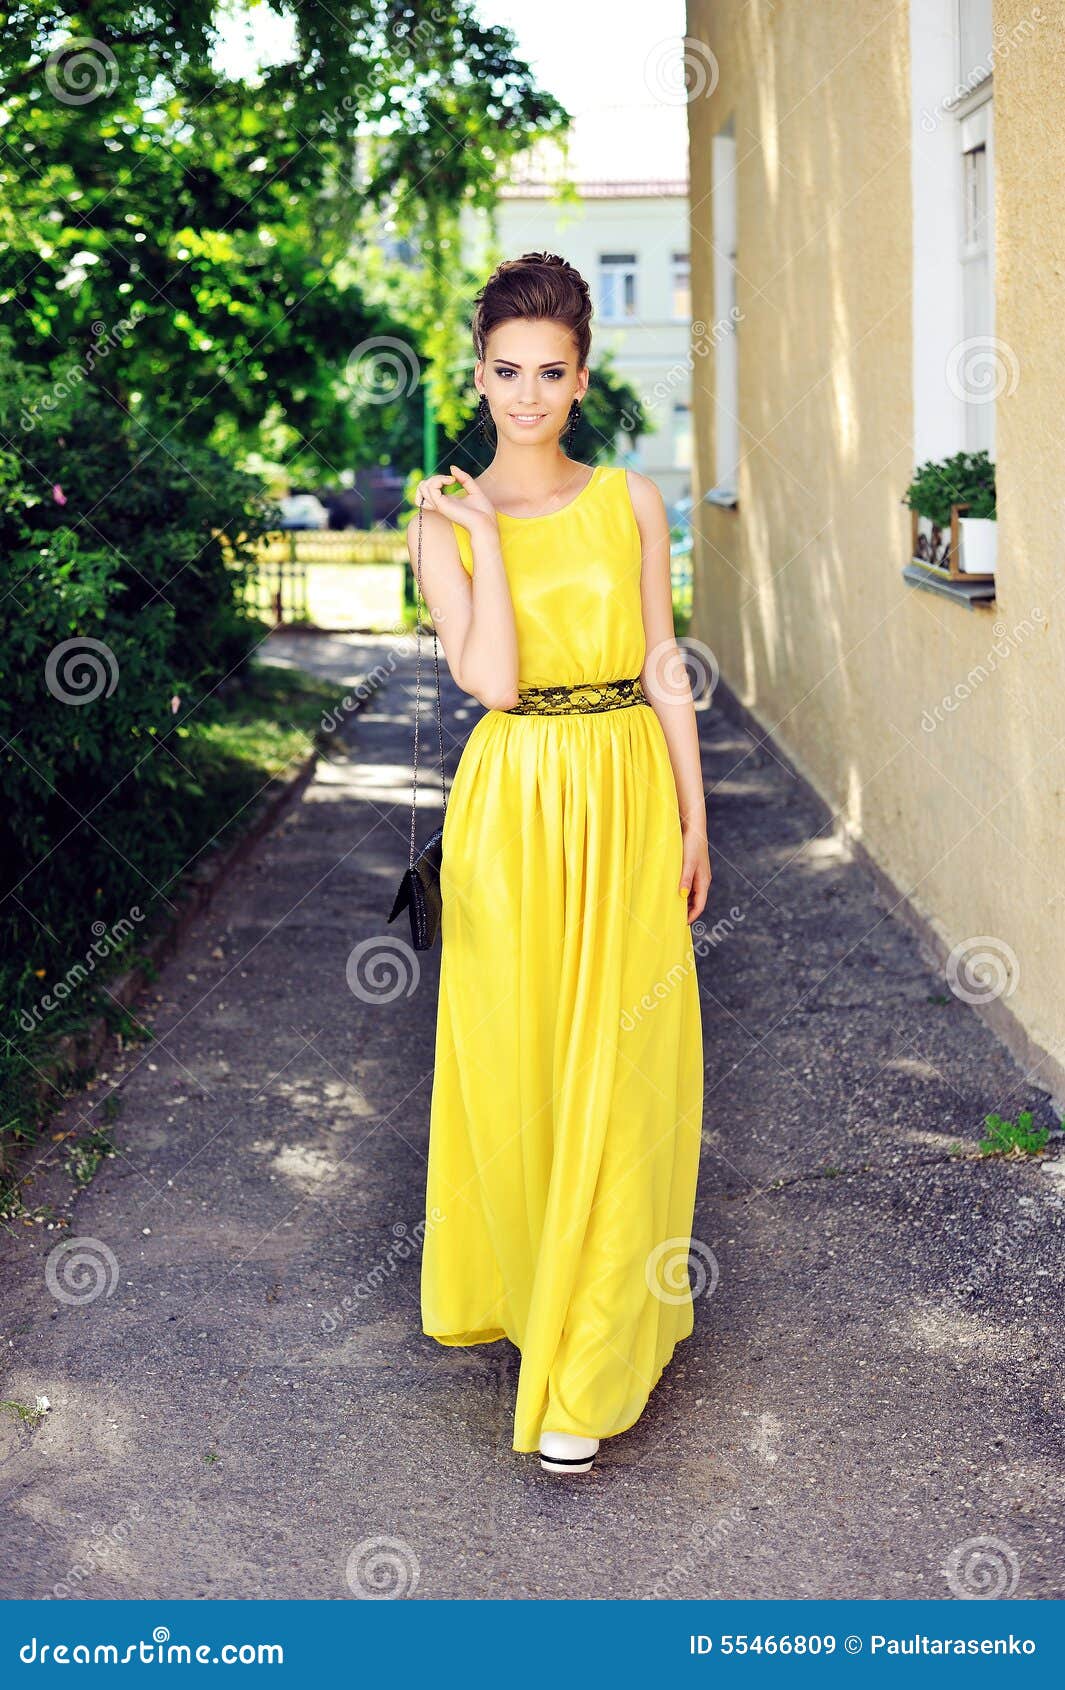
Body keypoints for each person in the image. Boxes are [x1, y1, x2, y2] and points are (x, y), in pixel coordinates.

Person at [407, 251, 709, 1475]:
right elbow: (490, 680)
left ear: (582, 379)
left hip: (630, 788)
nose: (525, 395)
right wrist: (480, 528)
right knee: (525, 1061)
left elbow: (661, 661)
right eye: (504, 371)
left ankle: (594, 1350)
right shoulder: (441, 518)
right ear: (477, 376)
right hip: (516, 800)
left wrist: (698, 817)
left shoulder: (629, 499)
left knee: (628, 1066)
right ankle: (542, 1308)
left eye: (550, 373)